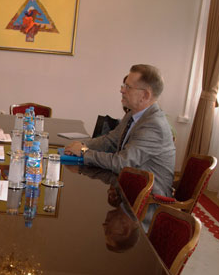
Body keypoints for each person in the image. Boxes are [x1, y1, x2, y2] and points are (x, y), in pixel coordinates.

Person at [65, 64, 175, 199]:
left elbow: (123, 163)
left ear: (145, 95)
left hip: (146, 200)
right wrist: (81, 145)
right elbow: (109, 141)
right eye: (124, 85)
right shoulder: (133, 114)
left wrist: (83, 152)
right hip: (125, 187)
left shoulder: (154, 125)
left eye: (128, 87)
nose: (122, 90)